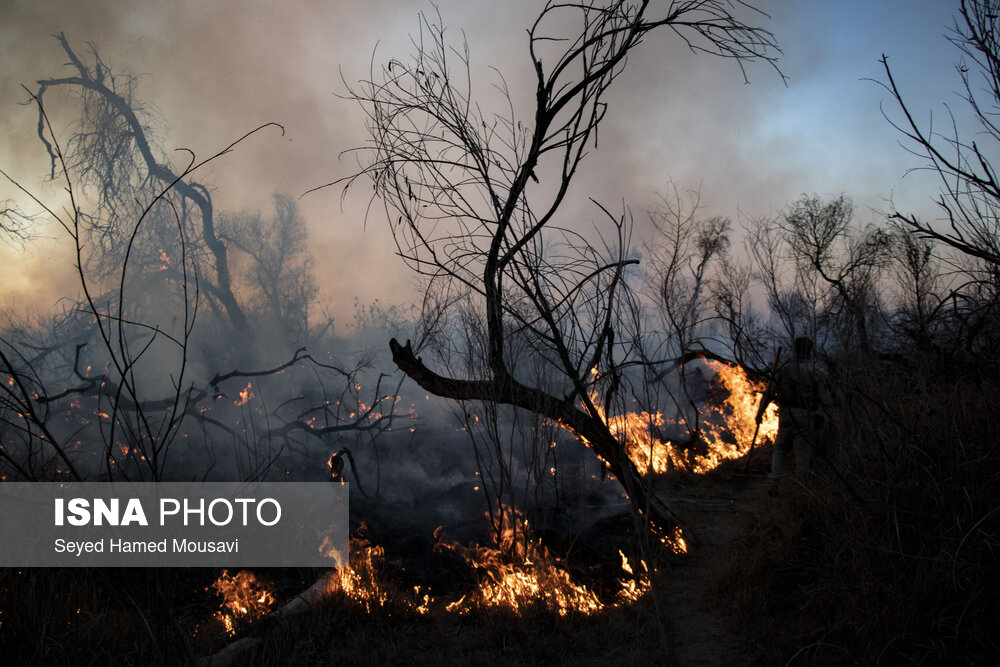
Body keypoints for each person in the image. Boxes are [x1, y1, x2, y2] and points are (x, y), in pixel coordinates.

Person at [755, 336, 833, 485]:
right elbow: (825, 398)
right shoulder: (814, 371)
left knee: (780, 448)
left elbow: (769, 393)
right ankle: (800, 486)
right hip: (806, 415)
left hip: (786, 415)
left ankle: (775, 481)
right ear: (809, 350)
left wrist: (760, 413)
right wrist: (832, 417)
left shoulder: (783, 369)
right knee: (802, 451)